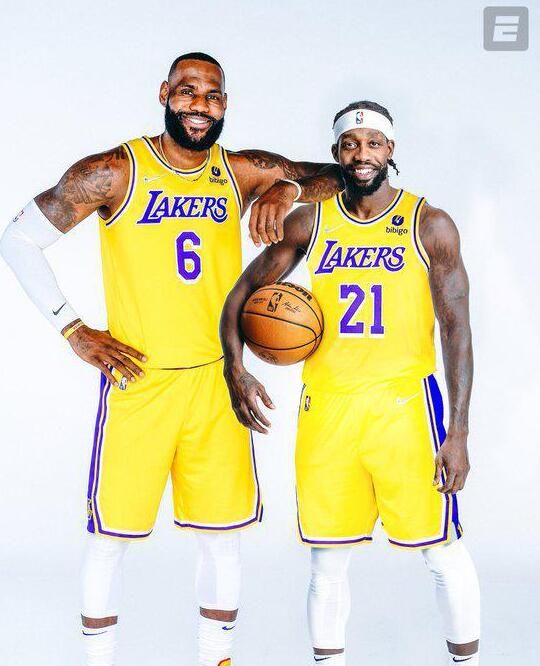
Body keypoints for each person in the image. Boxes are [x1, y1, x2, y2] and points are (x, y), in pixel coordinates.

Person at [0, 52, 342, 666]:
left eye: (212, 96)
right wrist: (72, 329)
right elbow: (18, 238)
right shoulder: (114, 171)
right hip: (139, 380)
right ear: (164, 93)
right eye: (187, 92)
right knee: (110, 539)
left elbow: (339, 174)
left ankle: (217, 660)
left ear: (224, 105)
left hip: (216, 380)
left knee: (222, 538)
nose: (198, 106)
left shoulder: (240, 170)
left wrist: (286, 186)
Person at [220, 100, 481, 665]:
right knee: (327, 562)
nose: (362, 154)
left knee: (442, 552)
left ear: (391, 150)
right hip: (328, 409)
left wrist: (458, 431)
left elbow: (456, 327)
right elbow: (241, 294)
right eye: (350, 144)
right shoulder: (311, 221)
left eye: (373, 143)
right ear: (336, 153)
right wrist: (235, 368)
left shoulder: (429, 223)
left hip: (405, 409)